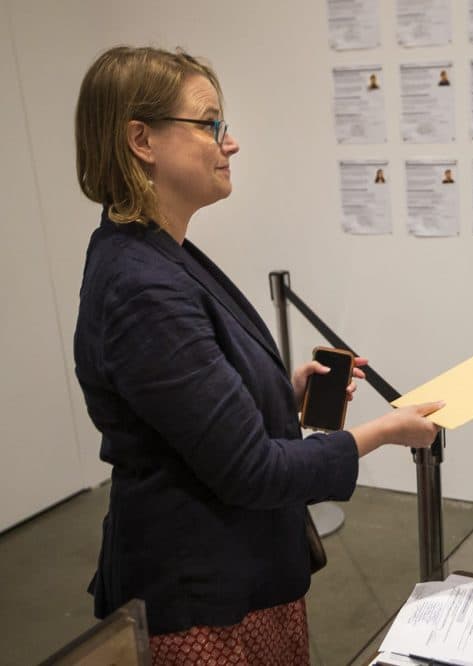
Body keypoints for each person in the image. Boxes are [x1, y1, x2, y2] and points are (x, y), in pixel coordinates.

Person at [73, 46, 443, 660]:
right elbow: (251, 472)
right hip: (201, 600)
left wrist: (277, 395)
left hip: (232, 571)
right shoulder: (143, 286)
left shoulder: (158, 252)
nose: (230, 142)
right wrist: (378, 434)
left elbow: (190, 417)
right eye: (211, 123)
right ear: (142, 139)